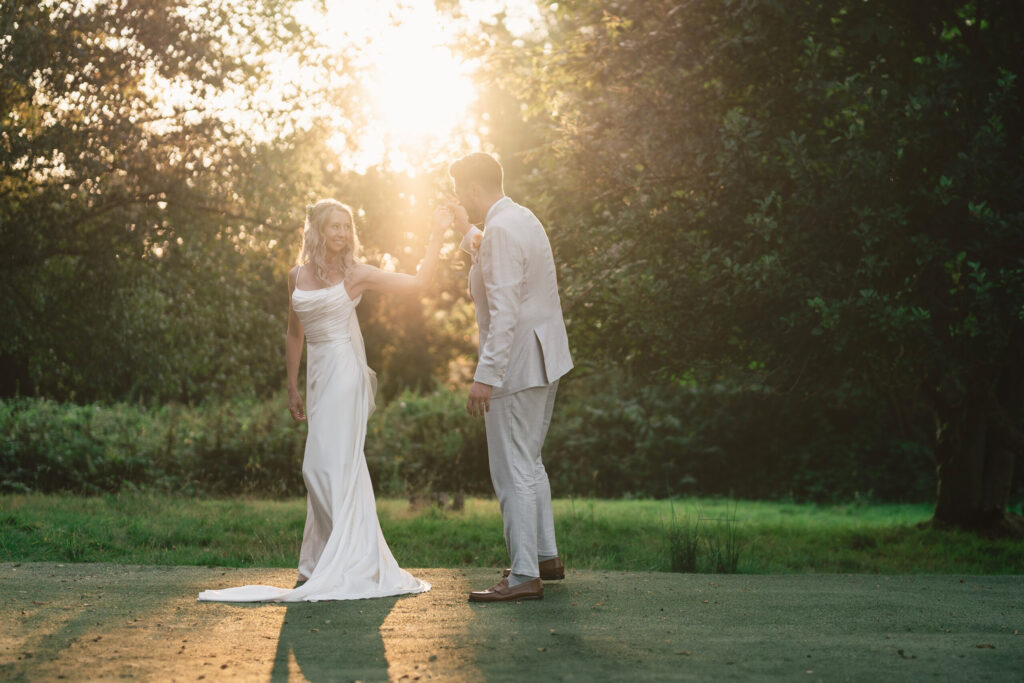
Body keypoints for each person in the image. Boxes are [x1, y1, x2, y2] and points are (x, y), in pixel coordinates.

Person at [198, 199, 451, 602]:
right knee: (334, 465)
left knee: (320, 466)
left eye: (347, 226)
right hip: (316, 378)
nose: (342, 233)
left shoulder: (357, 275)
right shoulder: (295, 275)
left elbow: (418, 283)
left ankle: (352, 560)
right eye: (334, 226)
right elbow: (293, 333)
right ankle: (317, 565)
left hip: (344, 375)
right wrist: (292, 385)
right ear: (316, 230)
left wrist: (437, 233)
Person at [447, 153, 574, 602]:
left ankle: (522, 576)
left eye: (461, 190)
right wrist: (466, 232)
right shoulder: (522, 218)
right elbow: (499, 265)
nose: (460, 197)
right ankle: (544, 556)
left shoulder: (500, 230)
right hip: (546, 357)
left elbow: (503, 311)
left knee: (511, 467)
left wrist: (486, 376)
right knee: (530, 459)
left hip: (515, 365)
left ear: (473, 188)